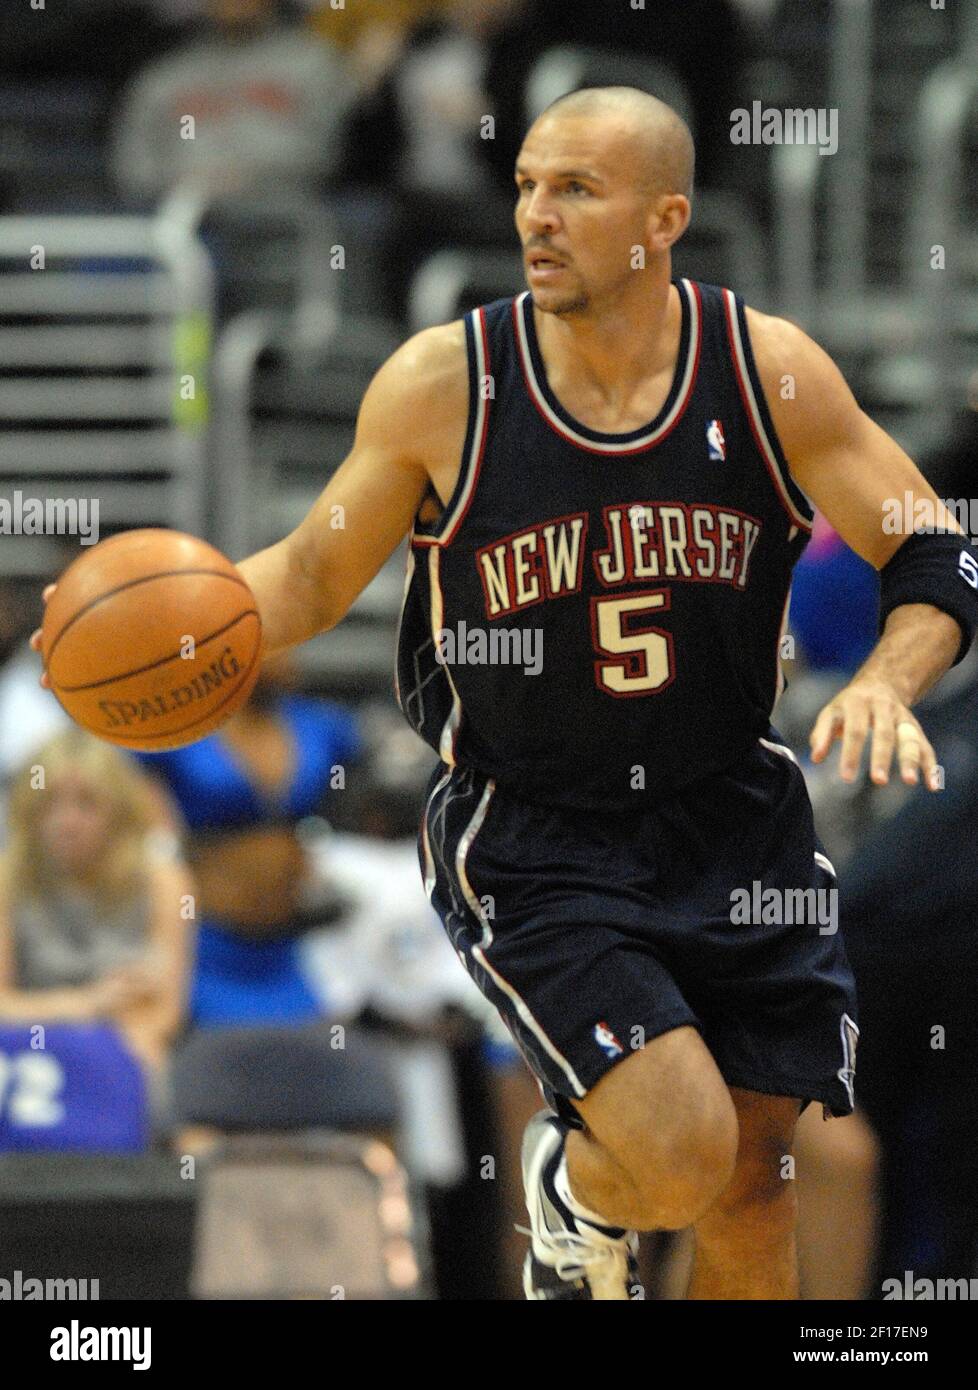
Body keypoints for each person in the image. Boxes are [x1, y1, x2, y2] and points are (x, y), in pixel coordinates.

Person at [35, 87, 978, 1300]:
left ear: (665, 217)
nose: (537, 213)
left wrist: (896, 681)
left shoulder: (767, 372)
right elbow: (314, 573)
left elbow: (932, 548)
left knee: (756, 1176)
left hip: (735, 812)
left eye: (577, 189)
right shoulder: (446, 384)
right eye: (529, 184)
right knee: (680, 1151)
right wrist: (166, 642)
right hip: (539, 831)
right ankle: (575, 1191)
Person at [0, 728, 192, 1081]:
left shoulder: (163, 879)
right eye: (49, 804)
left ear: (118, 811)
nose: (66, 822)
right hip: (27, 1048)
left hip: (123, 1047)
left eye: (87, 804)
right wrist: (92, 1002)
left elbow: (165, 1014)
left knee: (148, 1062)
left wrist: (104, 1054)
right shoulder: (8, 878)